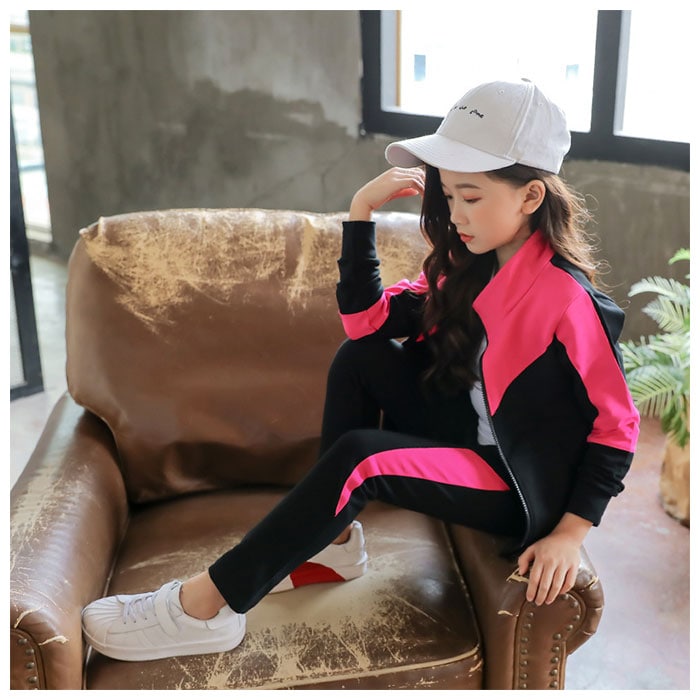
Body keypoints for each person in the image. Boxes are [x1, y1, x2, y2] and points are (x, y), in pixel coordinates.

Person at [81, 78, 640, 662]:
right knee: (359, 359)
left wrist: (571, 532)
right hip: (462, 435)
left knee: (362, 457)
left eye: (471, 197)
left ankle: (208, 605)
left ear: (530, 196)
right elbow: (365, 325)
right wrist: (360, 214)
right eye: (449, 195)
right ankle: (337, 545)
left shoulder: (569, 301)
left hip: (512, 481)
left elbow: (618, 426)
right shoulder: (467, 264)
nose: (456, 214)